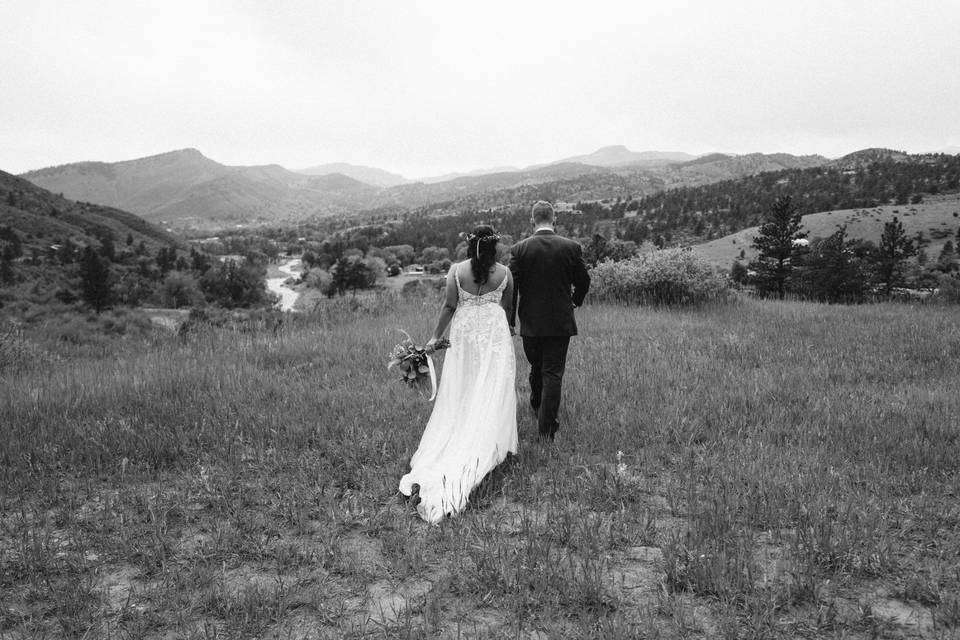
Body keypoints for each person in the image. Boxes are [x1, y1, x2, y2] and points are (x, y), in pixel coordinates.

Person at [398, 225, 518, 523]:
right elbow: (506, 308)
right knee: (493, 387)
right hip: (493, 337)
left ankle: (464, 431)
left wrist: (433, 338)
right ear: (494, 248)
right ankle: (490, 438)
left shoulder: (455, 271)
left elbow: (450, 306)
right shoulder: (505, 274)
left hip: (464, 337)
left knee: (462, 387)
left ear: (470, 246)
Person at [509, 201, 590, 441]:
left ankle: (537, 405)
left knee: (537, 366)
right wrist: (575, 300)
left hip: (530, 323)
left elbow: (511, 289)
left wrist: (510, 320)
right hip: (559, 322)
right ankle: (546, 429)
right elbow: (584, 280)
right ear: (554, 220)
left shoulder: (519, 250)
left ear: (532, 221)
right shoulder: (571, 247)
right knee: (552, 373)